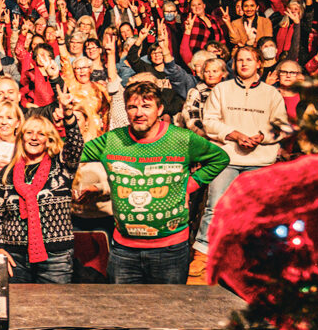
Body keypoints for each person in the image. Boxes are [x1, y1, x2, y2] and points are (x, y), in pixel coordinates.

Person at [80, 77, 229, 284]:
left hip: (170, 250)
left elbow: (219, 158)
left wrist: (190, 185)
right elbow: (70, 154)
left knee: (169, 305)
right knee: (120, 304)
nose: (139, 113)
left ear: (159, 110)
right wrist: (67, 120)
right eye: (132, 107)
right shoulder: (112, 140)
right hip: (124, 250)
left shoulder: (182, 139)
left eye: (146, 106)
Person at [193, 43, 287, 278]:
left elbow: (281, 126)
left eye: (249, 59)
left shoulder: (272, 94)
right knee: (215, 207)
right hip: (226, 158)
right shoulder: (221, 89)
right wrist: (234, 134)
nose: (244, 63)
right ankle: (202, 256)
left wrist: (261, 137)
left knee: (255, 212)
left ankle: (252, 260)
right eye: (239, 60)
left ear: (259, 64)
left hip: (259, 161)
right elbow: (209, 121)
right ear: (234, 64)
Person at [0, 110, 83, 283]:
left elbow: (76, 144)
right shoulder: (7, 173)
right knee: (17, 301)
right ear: (21, 137)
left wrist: (69, 114)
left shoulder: (62, 167)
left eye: (41, 134)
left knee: (54, 302)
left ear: (49, 140)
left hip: (56, 257)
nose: (34, 138)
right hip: (15, 258)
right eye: (29, 132)